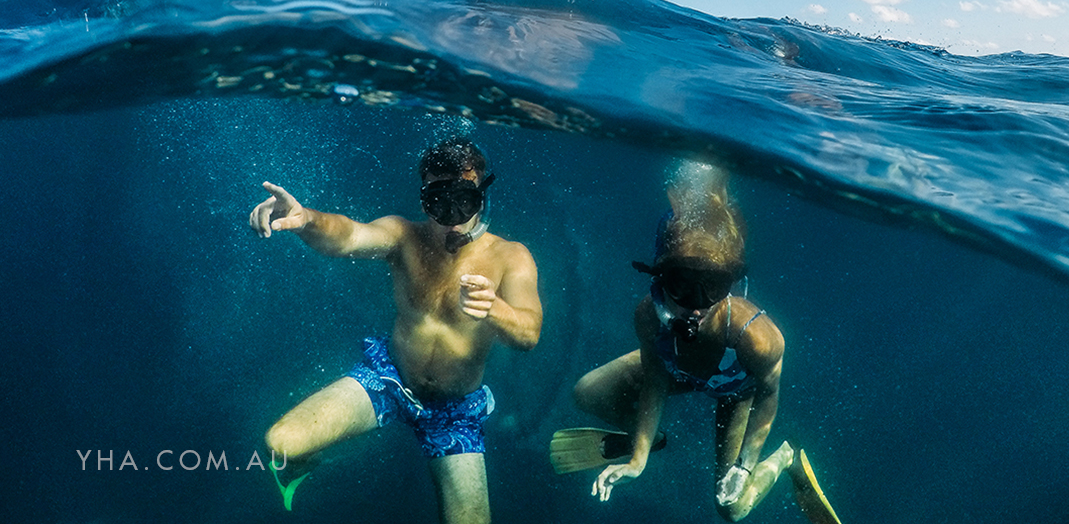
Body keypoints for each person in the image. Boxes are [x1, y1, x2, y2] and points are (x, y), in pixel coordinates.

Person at [249, 139, 542, 524]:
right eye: (439, 199)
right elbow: (349, 236)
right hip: (389, 378)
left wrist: (496, 310)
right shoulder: (404, 236)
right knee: (280, 444)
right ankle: (313, 463)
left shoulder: (510, 256)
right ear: (423, 197)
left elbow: (530, 332)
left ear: (483, 193)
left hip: (455, 413)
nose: (451, 215)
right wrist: (307, 220)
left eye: (464, 198)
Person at [549, 162, 840, 523]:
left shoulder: (756, 337)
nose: (696, 303)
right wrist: (638, 460)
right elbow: (655, 381)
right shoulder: (649, 316)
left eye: (713, 286)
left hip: (733, 391)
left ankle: (786, 456)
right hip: (677, 369)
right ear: (659, 278)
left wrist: (746, 467)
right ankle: (651, 439)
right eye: (681, 284)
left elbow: (767, 396)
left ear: (730, 284)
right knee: (588, 393)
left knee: (730, 508)